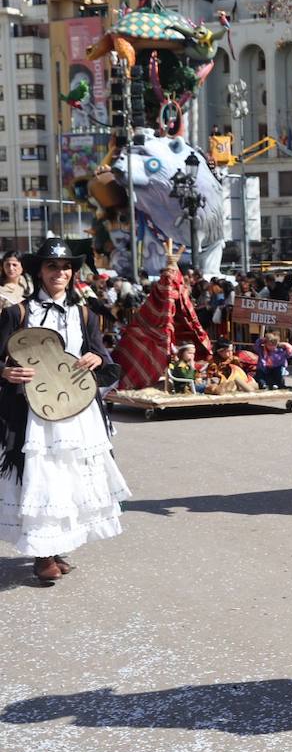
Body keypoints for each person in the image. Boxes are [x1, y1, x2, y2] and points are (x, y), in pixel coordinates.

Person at [0, 238, 129, 584]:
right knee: (43, 477)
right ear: (39, 271)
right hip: (33, 414)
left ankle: (56, 547)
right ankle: (42, 554)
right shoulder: (17, 313)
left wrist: (97, 358)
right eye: (52, 266)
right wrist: (5, 371)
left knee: (69, 478)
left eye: (66, 267)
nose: (60, 272)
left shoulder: (85, 313)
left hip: (77, 410)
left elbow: (106, 359)